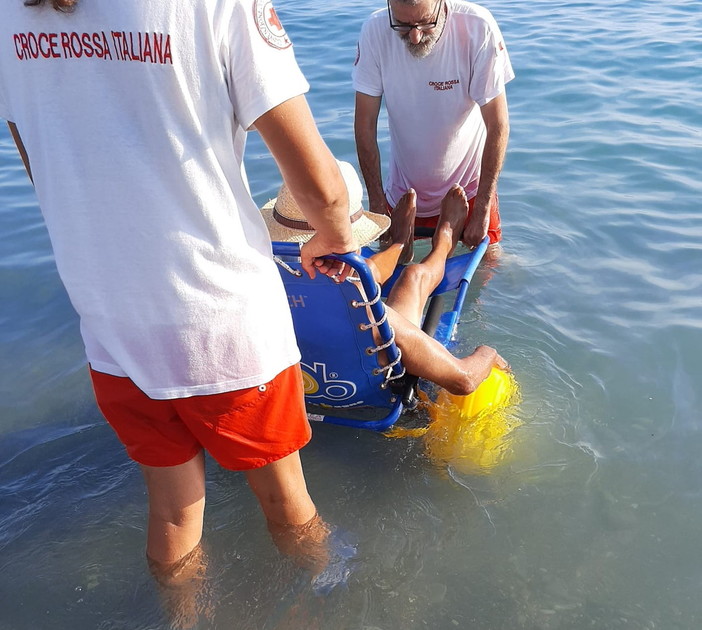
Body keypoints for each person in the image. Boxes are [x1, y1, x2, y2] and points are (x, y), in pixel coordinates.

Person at [0, 0, 359, 617]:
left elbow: (36, 156)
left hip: (111, 321)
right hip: (219, 315)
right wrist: (331, 234)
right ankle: (336, 602)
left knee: (171, 512)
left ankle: (184, 619)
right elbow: (320, 183)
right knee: (288, 507)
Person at [263, 161, 509, 395]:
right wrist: (488, 353)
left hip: (307, 385)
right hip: (369, 386)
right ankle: (440, 243)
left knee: (360, 275)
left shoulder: (260, 288)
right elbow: (463, 379)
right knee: (414, 277)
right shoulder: (368, 314)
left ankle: (399, 244)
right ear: (350, 239)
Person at [352, 0, 515, 263]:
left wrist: (483, 207)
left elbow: (498, 124)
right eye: (402, 26)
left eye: (425, 23)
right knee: (392, 271)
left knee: (490, 266)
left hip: (469, 191)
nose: (415, 36)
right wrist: (377, 202)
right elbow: (364, 126)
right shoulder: (374, 30)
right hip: (404, 196)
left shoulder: (478, 26)